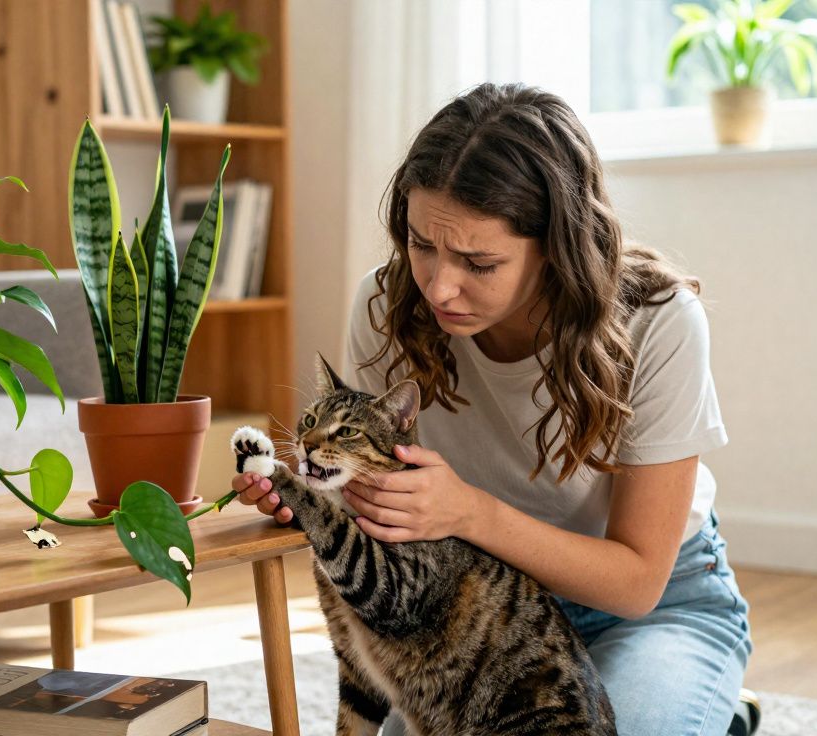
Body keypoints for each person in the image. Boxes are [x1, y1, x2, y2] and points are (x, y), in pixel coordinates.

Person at [231, 82, 757, 736]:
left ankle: (708, 708)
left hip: (654, 607)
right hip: (480, 610)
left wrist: (470, 511)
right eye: (422, 244)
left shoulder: (659, 322)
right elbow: (372, 507)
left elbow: (638, 581)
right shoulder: (385, 306)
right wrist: (305, 496)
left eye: (479, 261)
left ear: (556, 250)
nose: (440, 286)